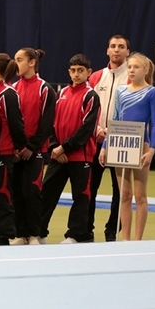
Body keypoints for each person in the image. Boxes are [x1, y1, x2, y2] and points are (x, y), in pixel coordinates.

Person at [99, 52, 155, 241]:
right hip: (120, 142)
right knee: (124, 194)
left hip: (141, 145)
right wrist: (105, 146)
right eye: (130, 67)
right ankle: (126, 239)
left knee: (140, 195)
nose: (132, 70)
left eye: (136, 67)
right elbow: (115, 119)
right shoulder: (121, 91)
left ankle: (137, 240)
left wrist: (152, 150)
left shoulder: (152, 92)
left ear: (146, 70)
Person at [40, 54, 100, 243]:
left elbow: (86, 130)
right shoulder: (62, 93)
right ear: (69, 71)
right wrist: (55, 147)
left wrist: (64, 148)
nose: (76, 74)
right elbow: (51, 123)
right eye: (73, 70)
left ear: (89, 72)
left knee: (81, 196)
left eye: (80, 70)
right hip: (59, 155)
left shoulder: (91, 96)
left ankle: (75, 234)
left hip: (81, 156)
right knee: (47, 193)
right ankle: (39, 232)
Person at [10, 48, 57, 245]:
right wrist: (15, 148)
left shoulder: (45, 89)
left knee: (32, 192)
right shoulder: (13, 88)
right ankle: (21, 234)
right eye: (15, 59)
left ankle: (35, 234)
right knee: (17, 193)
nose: (16, 63)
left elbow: (47, 123)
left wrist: (31, 147)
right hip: (16, 152)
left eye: (20, 59)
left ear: (32, 62)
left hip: (35, 151)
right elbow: (11, 121)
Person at [88, 35, 129, 242]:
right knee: (90, 188)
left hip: (120, 140)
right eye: (113, 46)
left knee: (120, 191)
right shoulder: (96, 77)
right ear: (107, 50)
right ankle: (86, 229)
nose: (116, 50)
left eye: (121, 47)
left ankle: (112, 231)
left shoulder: (132, 76)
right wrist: (97, 130)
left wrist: (113, 132)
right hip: (96, 140)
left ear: (127, 52)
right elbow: (87, 108)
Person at [0, 53, 27, 246]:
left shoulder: (7, 93)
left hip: (3, 152)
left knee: (2, 194)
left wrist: (19, 146)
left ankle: (4, 235)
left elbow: (16, 124)